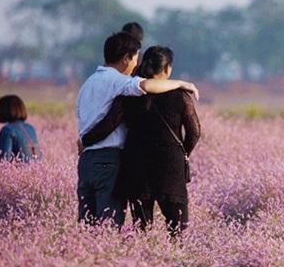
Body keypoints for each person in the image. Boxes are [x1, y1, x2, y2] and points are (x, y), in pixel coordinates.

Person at [77, 32, 199, 226]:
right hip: (159, 164)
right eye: (134, 58)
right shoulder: (124, 84)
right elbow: (194, 131)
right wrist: (184, 152)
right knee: (174, 227)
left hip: (115, 164)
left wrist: (85, 140)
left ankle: (89, 256)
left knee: (95, 227)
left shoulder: (89, 84)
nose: (136, 64)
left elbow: (109, 122)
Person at [0, 95, 41, 162]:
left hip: (18, 170)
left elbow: (4, 161)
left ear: (5, 110)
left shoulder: (7, 130)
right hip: (36, 169)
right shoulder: (31, 128)